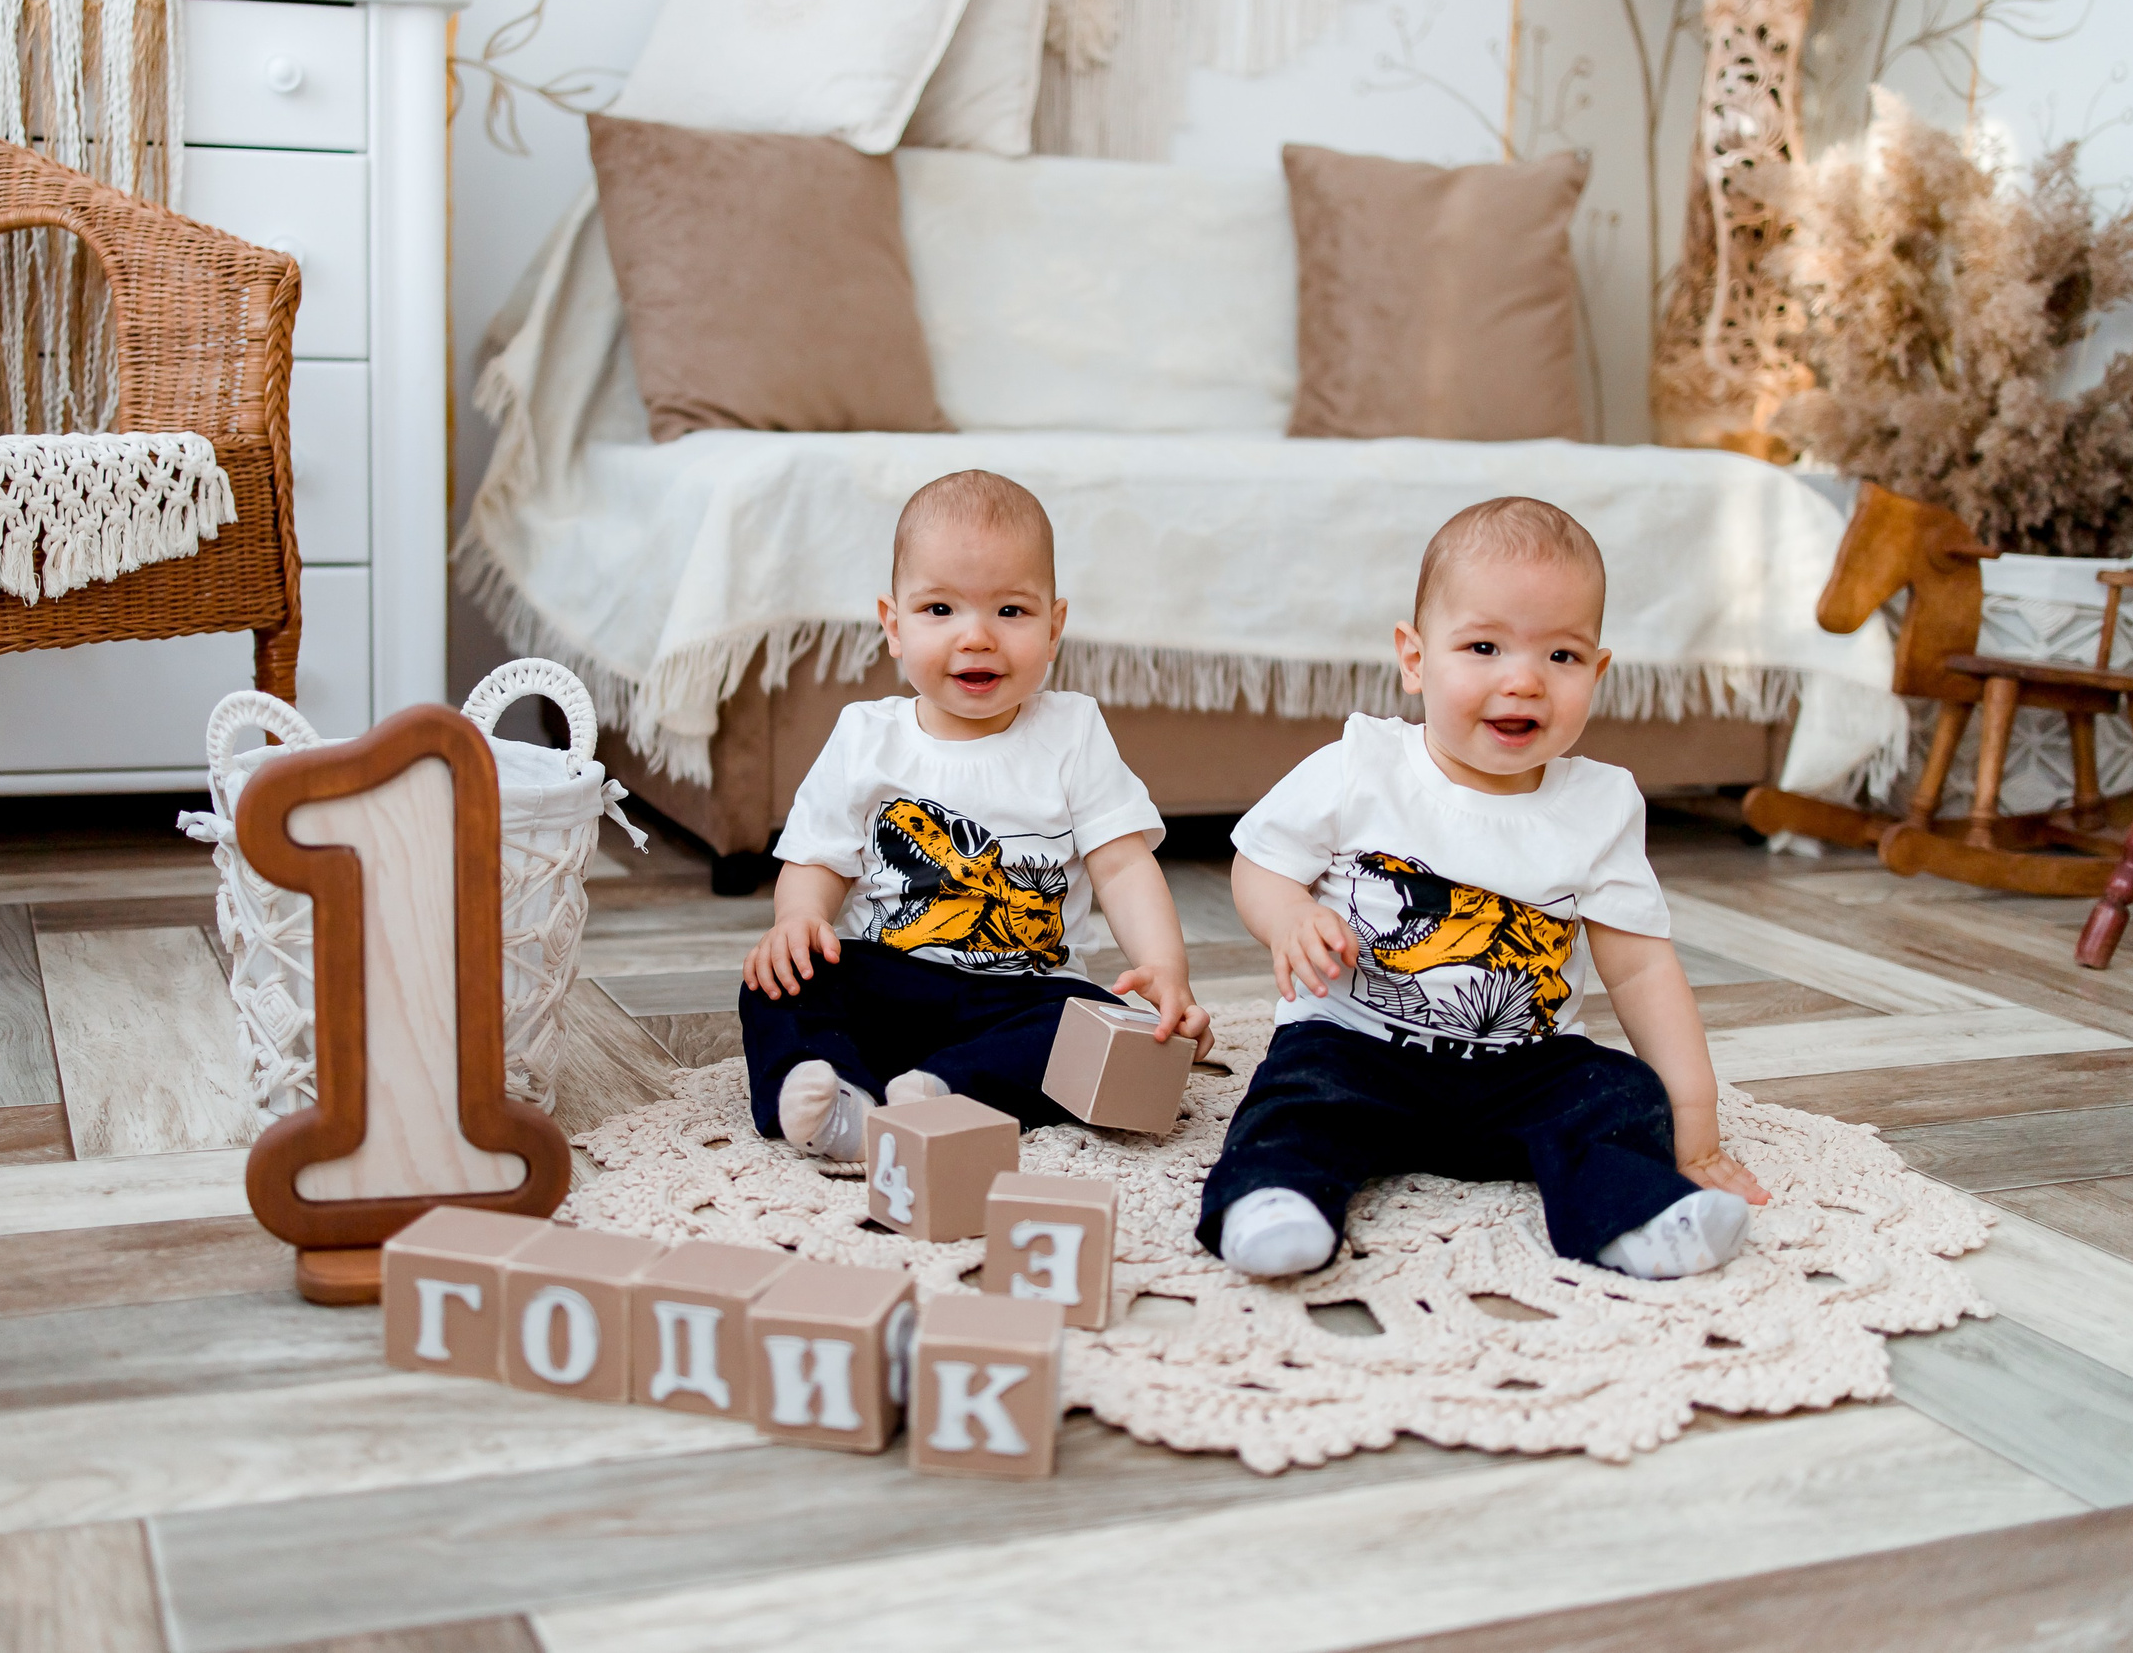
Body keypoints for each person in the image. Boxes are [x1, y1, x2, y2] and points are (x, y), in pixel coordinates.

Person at [1203, 496, 1768, 1280]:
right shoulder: (1361, 765)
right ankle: (1273, 1201)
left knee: (1615, 1092)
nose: (1524, 680)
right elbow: (1260, 863)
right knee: (1295, 1097)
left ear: (1598, 672)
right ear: (1415, 658)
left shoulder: (1598, 806)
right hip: (1358, 1049)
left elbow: (1641, 968)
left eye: (1561, 657)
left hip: (1521, 1073)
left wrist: (1695, 1128)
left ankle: (1633, 1217)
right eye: (1484, 646)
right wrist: (1289, 912)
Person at [739, 469, 1212, 1158]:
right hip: (892, 981)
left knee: (1100, 1024)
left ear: (1054, 628)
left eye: (1011, 612)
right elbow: (816, 857)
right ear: (893, 625)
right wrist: (797, 919)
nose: (977, 637)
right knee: (778, 979)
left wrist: (1166, 969)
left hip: (1024, 993)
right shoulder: (867, 736)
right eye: (940, 610)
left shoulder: (1073, 731)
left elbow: (1122, 863)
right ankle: (836, 1092)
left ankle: (949, 1090)